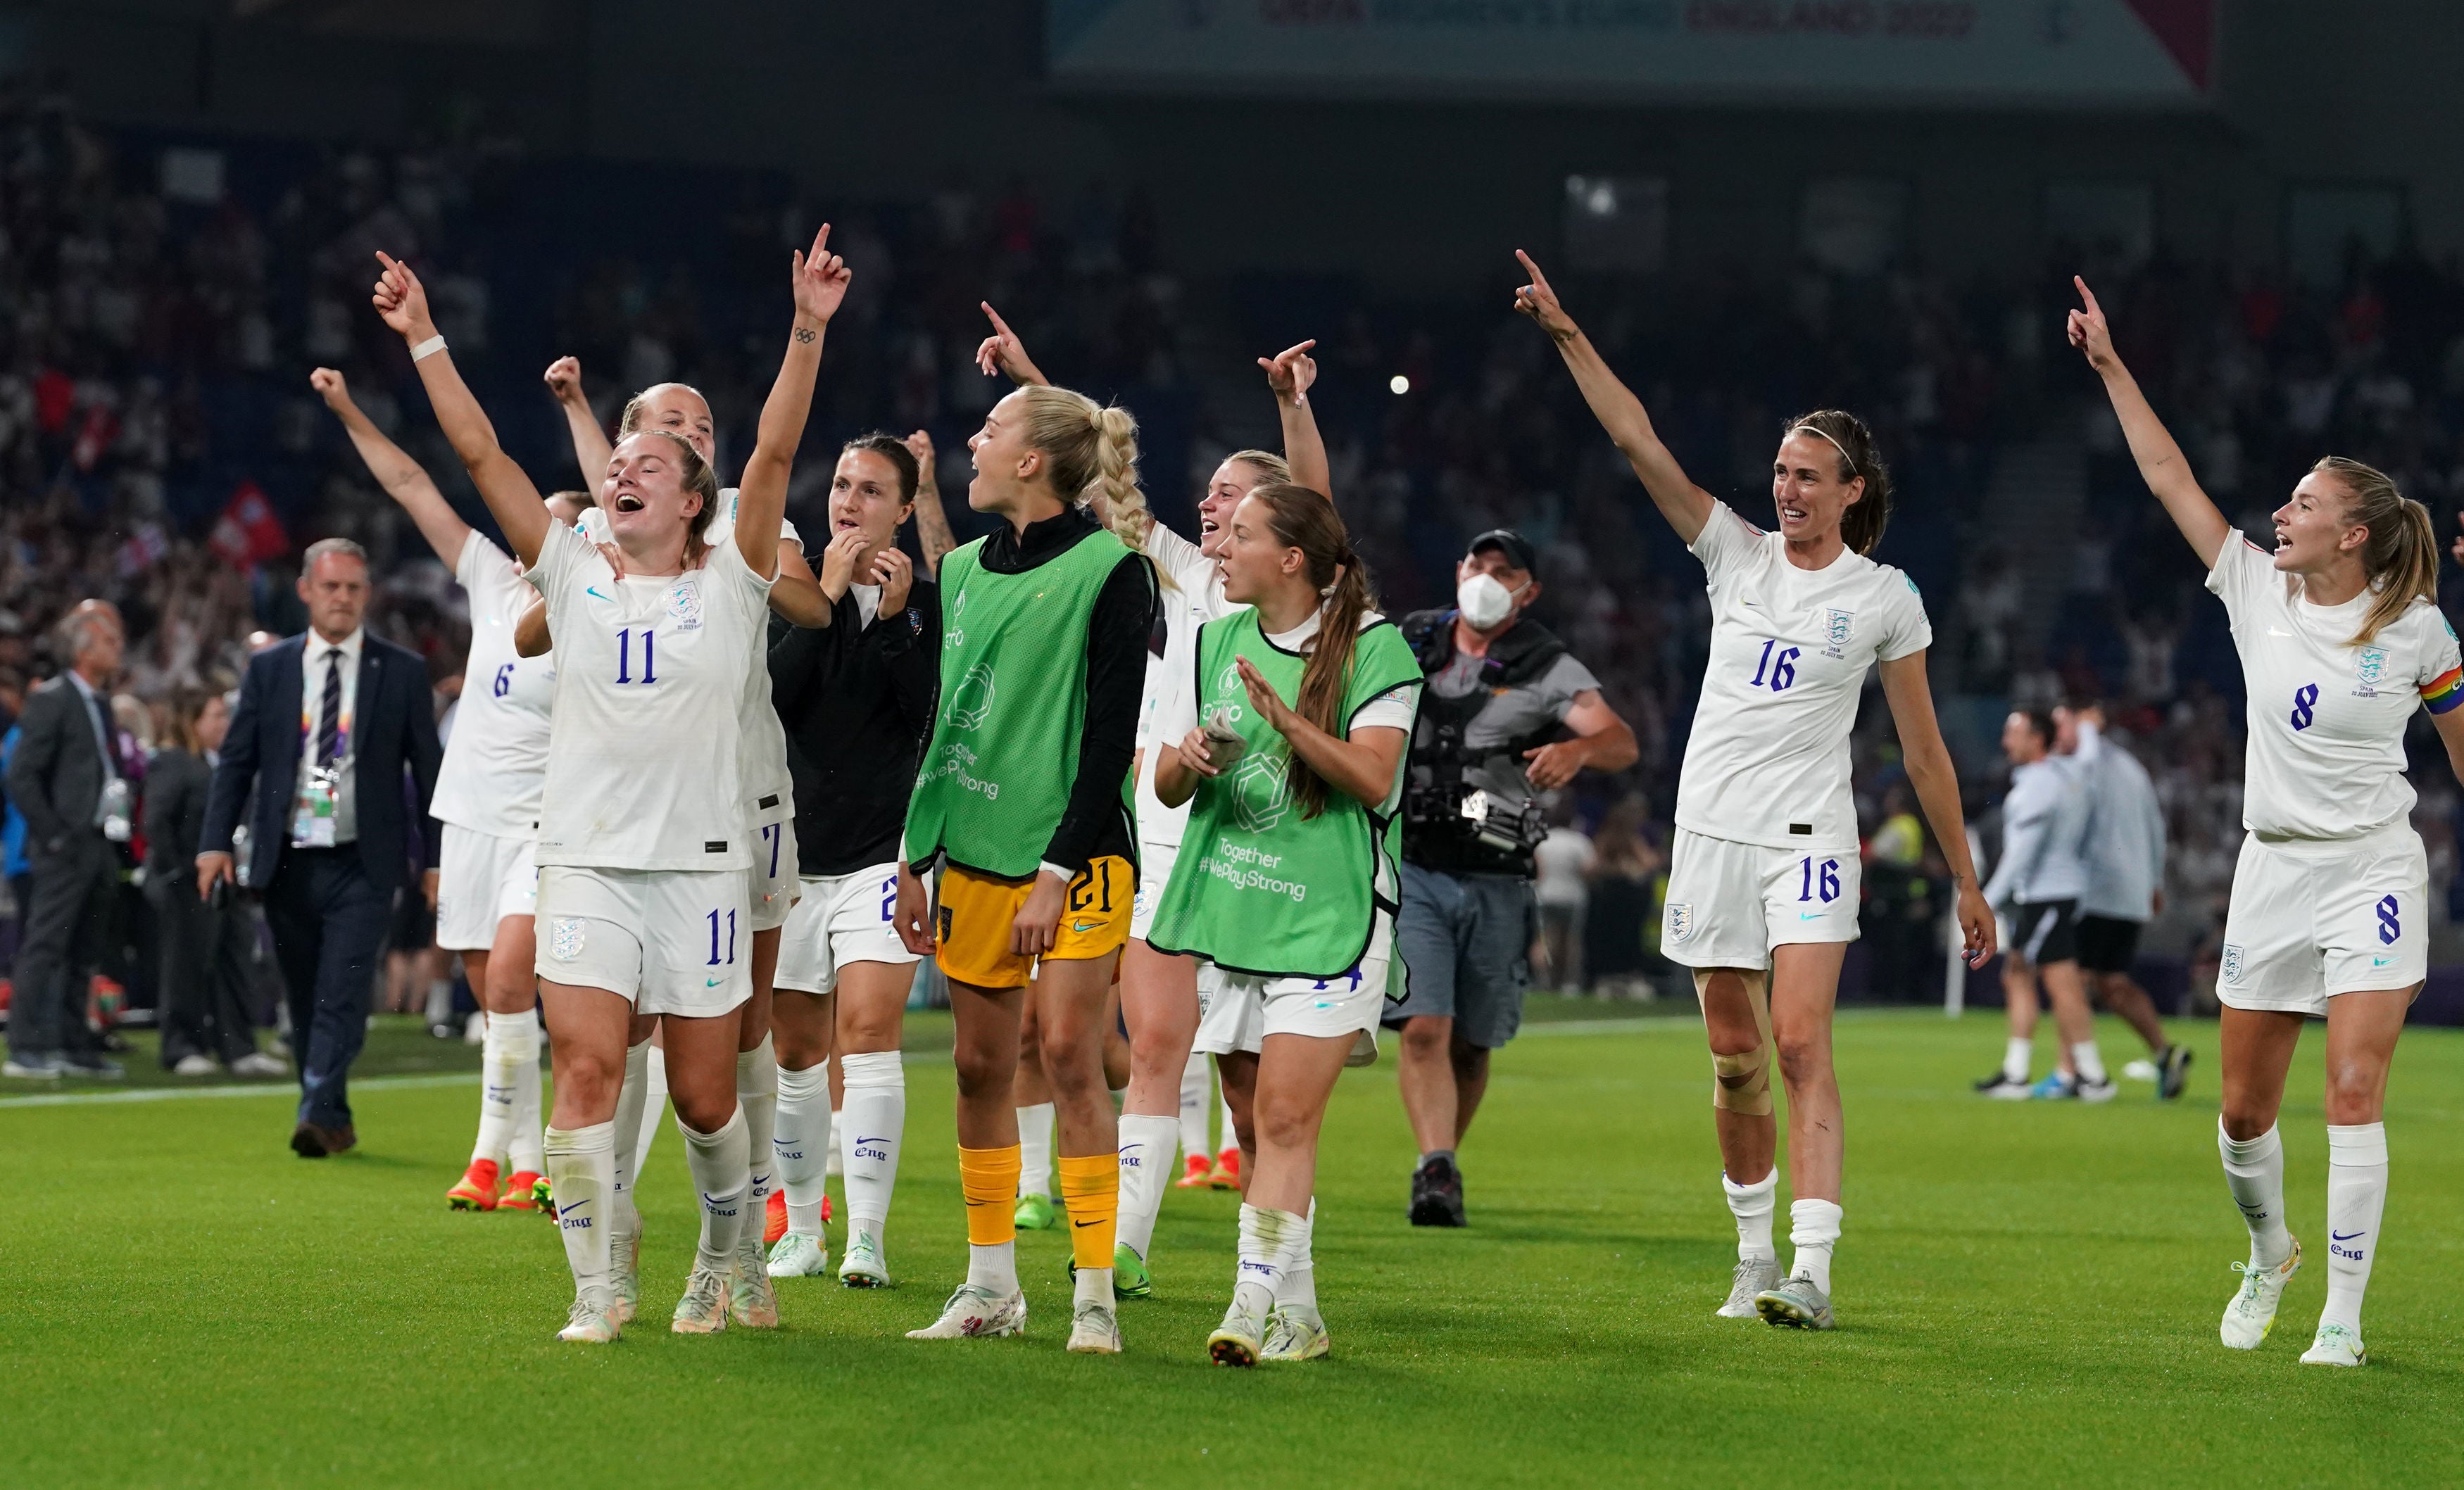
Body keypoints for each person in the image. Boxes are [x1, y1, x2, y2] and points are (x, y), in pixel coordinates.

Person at [373, 227, 842, 1343]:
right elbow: (483, 455)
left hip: (705, 868)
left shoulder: (734, 572)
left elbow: (773, 456)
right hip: (584, 863)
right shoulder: (572, 570)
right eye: (616, 462)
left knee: (704, 1097)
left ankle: (726, 1258)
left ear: (695, 502)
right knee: (583, 1067)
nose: (622, 472)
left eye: (649, 467)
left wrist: (808, 326)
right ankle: (599, 1284)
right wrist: (427, 337)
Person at [1515, 250, 1994, 1330]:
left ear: (1852, 491)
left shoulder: (1885, 598)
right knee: (1735, 1060)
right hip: (1712, 833)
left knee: (1798, 1041)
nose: (1787, 486)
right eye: (1781, 470)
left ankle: (1813, 1270)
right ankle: (1750, 1254)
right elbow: (1637, 436)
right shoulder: (1734, 554)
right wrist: (1566, 334)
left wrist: (1967, 878)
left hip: (1811, 836)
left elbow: (1924, 753)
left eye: (1808, 474)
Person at [2070, 276, 2464, 1368]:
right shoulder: (2254, 590)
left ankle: (2342, 1314)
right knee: (2244, 1114)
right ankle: (2270, 1252)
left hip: (2374, 868)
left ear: (2356, 532)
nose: (2279, 514)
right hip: (2273, 872)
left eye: (2302, 503)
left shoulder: (2421, 633)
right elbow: (2166, 475)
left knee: (2353, 1089)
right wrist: (2109, 362)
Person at [971, 301, 1329, 1295]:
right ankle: (1127, 1240)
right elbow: (1092, 476)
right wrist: (1031, 381)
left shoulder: (1294, 598)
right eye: (1208, 496)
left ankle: (1277, 1273)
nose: (1210, 508)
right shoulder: (1177, 575)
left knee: (1255, 1090)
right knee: (1158, 1045)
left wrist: (1292, 411)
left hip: (1267, 855)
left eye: (1232, 497)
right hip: (1167, 842)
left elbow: (1317, 500)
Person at [534, 356, 835, 1328]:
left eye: (700, 427)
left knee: (736, 1046)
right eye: (667, 423)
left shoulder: (747, 517)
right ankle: (609, 1231)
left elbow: (807, 604)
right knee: (604, 1040)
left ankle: (737, 1245)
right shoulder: (601, 530)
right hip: (618, 824)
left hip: (740, 809)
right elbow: (543, 623)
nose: (690, 434)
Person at [888, 381, 1157, 1356]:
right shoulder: (957, 572)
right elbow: (944, 718)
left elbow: (1110, 737)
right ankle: (990, 1285)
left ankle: (1093, 1294)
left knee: (1071, 1058)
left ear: (1033, 460)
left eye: (991, 429)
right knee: (976, 1066)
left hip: (1072, 857)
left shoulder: (1113, 572)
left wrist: (1057, 864)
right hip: (971, 854)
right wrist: (915, 852)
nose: (975, 438)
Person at [1149, 484, 1421, 1364]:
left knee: (1283, 1116)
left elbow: (1374, 780)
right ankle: (1299, 1315)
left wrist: (1286, 720)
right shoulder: (1209, 639)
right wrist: (1188, 762)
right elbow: (1161, 781)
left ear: (1292, 560)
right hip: (1236, 905)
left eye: (1238, 535)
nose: (1219, 549)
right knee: (1249, 1112)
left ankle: (1247, 1302)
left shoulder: (1376, 651)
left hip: (1330, 914)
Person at [311, 365, 586, 1212]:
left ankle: (481, 1153)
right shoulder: (491, 579)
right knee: (490, 995)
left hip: (545, 821)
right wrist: (348, 406)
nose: (542, 530)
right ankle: (527, 1161)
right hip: (467, 816)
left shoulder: (595, 612)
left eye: (564, 525)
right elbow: (410, 484)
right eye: (542, 517)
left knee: (509, 978)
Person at [1385, 525, 1638, 1225]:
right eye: (1477, 562)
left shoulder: (1544, 662)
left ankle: (1439, 1164)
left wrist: (1578, 749)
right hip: (1416, 865)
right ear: (1457, 566)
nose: (1486, 577)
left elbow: (1620, 740)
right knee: (1423, 1027)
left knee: (1474, 1041)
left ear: (1528, 591)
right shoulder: (1409, 641)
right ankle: (1435, 1163)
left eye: (1504, 569)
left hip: (1497, 868)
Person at [763, 431, 945, 1286]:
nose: (848, 501)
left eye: (871, 489)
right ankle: (803, 1227)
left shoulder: (927, 605)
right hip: (795, 856)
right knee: (796, 1054)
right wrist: (828, 595)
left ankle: (866, 1233)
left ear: (904, 509)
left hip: (883, 852)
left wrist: (902, 621)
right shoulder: (792, 590)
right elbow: (775, 696)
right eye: (841, 484)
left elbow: (928, 717)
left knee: (868, 1036)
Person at [199, 539, 444, 1155]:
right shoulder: (271, 667)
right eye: (331, 587)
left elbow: (432, 772)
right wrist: (213, 845)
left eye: (354, 588)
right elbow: (237, 761)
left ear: (368, 594)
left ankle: (312, 1107)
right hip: (286, 856)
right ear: (306, 590)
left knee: (344, 986)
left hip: (365, 858)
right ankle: (331, 1112)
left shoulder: (404, 670)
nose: (342, 598)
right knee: (304, 991)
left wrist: (439, 859)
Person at [5, 605, 133, 1079]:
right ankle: (26, 1045)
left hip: (99, 840)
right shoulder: (54, 697)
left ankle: (75, 1044)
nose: (117, 648)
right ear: (82, 647)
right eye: (108, 641)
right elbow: (22, 774)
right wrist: (54, 833)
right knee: (46, 944)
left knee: (85, 947)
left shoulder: (99, 702)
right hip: (67, 844)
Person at [1972, 709, 2110, 1101]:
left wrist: (1985, 902)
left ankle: (2093, 1077)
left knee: (2061, 984)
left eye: (2013, 733)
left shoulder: (2037, 787)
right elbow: (2088, 759)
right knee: (2018, 973)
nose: (2005, 742)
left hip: (2048, 894)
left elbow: (2021, 855)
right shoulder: (2066, 774)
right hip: (2056, 893)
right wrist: (2088, 727)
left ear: (2037, 740)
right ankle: (2019, 1071)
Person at [144, 688, 282, 1076]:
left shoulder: (222, 764)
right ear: (193, 723)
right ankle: (181, 1046)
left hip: (229, 883)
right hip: (189, 883)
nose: (225, 723)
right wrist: (177, 871)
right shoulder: (176, 762)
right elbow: (157, 820)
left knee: (236, 962)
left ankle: (239, 1047)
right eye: (216, 716)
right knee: (186, 966)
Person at [2057, 697, 2190, 1098]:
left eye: (2064, 725)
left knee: (2071, 980)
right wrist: (2154, 883)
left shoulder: (2087, 764)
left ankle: (2072, 1073)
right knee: (2112, 982)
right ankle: (2165, 1052)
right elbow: (2156, 827)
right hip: (2131, 890)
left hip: (2096, 889)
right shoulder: (2135, 770)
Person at [1531, 800, 1595, 992]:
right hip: (1572, 897)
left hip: (1545, 895)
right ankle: (1569, 983)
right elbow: (1589, 870)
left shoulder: (1543, 839)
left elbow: (1537, 870)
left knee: (1544, 940)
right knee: (1571, 942)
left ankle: (1542, 981)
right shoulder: (1579, 841)